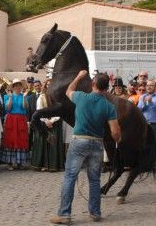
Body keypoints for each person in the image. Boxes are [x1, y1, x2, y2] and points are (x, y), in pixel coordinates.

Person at [50, 71, 120, 225]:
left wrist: (79, 77)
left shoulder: (82, 97)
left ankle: (64, 214)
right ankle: (95, 213)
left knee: (70, 177)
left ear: (93, 84)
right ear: (107, 88)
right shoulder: (109, 106)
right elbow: (115, 132)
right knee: (94, 180)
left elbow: (68, 91)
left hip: (80, 141)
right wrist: (117, 141)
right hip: (97, 143)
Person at [31, 80, 65, 172]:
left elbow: (60, 111)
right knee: (43, 145)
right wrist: (46, 121)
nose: (49, 87)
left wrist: (52, 120)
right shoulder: (41, 97)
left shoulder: (57, 98)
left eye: (51, 85)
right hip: (44, 123)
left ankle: (54, 165)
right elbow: (39, 111)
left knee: (54, 144)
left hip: (55, 123)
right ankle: (43, 165)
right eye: (48, 86)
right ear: (45, 87)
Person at [137, 80, 156, 173]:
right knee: (144, 145)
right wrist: (144, 103)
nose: (148, 87)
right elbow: (139, 109)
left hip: (155, 124)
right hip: (144, 124)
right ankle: (146, 165)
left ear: (155, 86)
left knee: (155, 144)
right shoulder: (142, 96)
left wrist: (151, 102)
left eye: (151, 85)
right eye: (147, 85)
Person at [1, 78, 29, 170]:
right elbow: (8, 108)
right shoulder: (7, 96)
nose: (17, 87)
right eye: (15, 85)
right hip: (11, 119)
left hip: (21, 119)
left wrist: (24, 97)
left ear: (21, 87)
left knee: (21, 139)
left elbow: (25, 107)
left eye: (19, 85)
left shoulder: (23, 96)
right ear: (12, 87)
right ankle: (9, 163)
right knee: (10, 139)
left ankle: (20, 162)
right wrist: (10, 97)